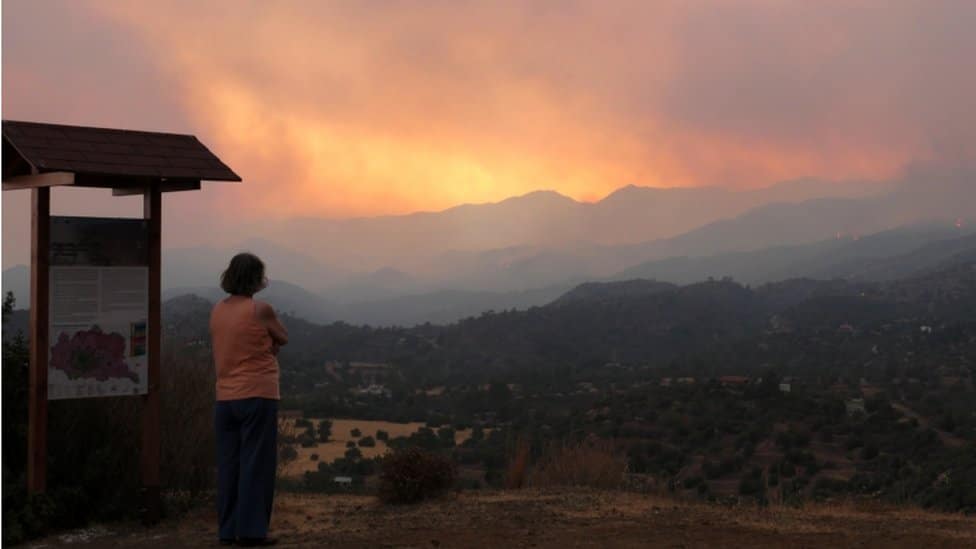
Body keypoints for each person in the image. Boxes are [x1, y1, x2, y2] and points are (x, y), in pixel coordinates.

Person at [210, 253, 288, 546]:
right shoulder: (260, 309)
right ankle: (253, 531)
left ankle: (227, 531)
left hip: (225, 397)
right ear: (257, 278)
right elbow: (284, 336)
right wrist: (269, 343)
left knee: (229, 465)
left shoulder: (217, 309)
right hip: (258, 394)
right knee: (257, 463)